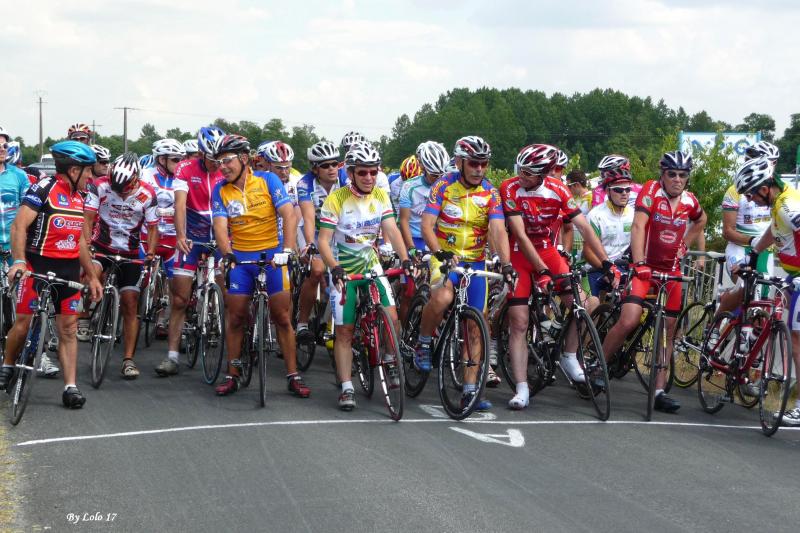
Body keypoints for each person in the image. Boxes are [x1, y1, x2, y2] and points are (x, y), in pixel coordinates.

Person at [500, 144, 618, 410]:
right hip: (519, 252)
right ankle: (522, 387)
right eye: (520, 169)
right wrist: (541, 270)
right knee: (519, 321)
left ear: (543, 174)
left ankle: (569, 354)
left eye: (528, 173)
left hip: (547, 249)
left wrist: (607, 262)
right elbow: (519, 234)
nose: (521, 176)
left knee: (583, 303)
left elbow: (584, 228)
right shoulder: (509, 188)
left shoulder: (559, 190)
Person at [600, 151, 706, 413]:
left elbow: (701, 220)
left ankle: (659, 390)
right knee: (629, 320)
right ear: (663, 175)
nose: (677, 179)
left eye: (683, 175)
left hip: (670, 271)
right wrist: (639, 263)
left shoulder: (690, 201)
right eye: (672, 174)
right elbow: (638, 226)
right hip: (645, 267)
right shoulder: (651, 191)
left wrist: (684, 245)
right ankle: (598, 367)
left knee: (668, 329)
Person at [415, 136, 515, 412]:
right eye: (473, 163)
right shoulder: (444, 185)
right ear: (459, 161)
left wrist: (506, 264)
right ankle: (424, 341)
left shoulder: (491, 193)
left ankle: (470, 390)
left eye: (484, 164)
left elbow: (498, 230)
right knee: (443, 297)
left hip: (475, 262)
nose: (479, 169)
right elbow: (427, 225)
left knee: (476, 325)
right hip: (445, 256)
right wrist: (440, 253)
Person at [0, 141, 102, 408]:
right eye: (88, 171)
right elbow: (19, 226)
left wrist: (92, 276)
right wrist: (19, 261)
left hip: (68, 269)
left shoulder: (81, 196)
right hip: (37, 266)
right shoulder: (43, 188)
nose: (91, 177)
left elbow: (80, 241)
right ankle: (8, 363)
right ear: (73, 170)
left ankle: (70, 387)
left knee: (68, 329)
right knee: (23, 322)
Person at [209, 134, 310, 399]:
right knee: (236, 316)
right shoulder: (220, 190)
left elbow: (289, 215)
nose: (222, 167)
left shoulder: (268, 180)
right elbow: (220, 226)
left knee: (282, 317)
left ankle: (293, 375)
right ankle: (232, 374)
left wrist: (287, 250)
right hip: (241, 259)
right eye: (219, 162)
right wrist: (227, 254)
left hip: (273, 255)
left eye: (227, 160)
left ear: (244, 158)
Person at [316, 142, 412, 411]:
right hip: (344, 268)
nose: (369, 177)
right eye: (362, 172)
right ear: (350, 173)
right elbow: (323, 241)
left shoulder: (381, 196)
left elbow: (392, 230)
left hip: (370, 263)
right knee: (345, 330)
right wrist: (334, 267)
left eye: (373, 171)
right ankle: (347, 387)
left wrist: (405, 259)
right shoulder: (336, 199)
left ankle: (389, 359)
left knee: (392, 317)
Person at [735, 155, 800, 425]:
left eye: (751, 194)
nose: (749, 200)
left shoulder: (787, 205)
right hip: (793, 275)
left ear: (764, 188)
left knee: (796, 339)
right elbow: (774, 233)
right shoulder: (778, 202)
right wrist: (754, 253)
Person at [84, 152, 160, 380]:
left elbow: (153, 228)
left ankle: (128, 359)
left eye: (125, 189)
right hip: (102, 246)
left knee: (130, 302)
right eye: (116, 189)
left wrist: (150, 253)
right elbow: (88, 218)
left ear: (135, 179)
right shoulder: (100, 185)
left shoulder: (147, 193)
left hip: (130, 252)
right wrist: (86, 245)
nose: (120, 193)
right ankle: (89, 314)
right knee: (90, 275)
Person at [171, 125, 226, 377]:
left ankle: (234, 353)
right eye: (213, 159)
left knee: (230, 293)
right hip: (193, 237)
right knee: (180, 299)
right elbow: (180, 205)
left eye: (221, 158)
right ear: (201, 154)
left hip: (221, 237)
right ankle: (172, 356)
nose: (218, 164)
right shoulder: (185, 168)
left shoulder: (227, 169)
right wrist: (180, 235)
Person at [714, 141, 778, 324]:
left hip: (765, 251)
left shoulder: (774, 191)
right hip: (740, 248)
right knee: (745, 288)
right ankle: (715, 327)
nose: (771, 167)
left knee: (761, 303)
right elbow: (727, 231)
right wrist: (752, 240)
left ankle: (749, 336)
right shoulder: (735, 191)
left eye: (774, 162)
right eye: (767, 162)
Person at [295, 141, 347, 343]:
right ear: (315, 169)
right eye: (325, 165)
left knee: (344, 274)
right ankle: (302, 323)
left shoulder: (345, 179)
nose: (332, 168)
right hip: (313, 231)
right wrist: (310, 244)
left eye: (335, 163)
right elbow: (308, 217)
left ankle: (330, 321)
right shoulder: (305, 184)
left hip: (336, 232)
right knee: (316, 270)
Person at [142, 139, 185, 352]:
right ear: (161, 159)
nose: (180, 164)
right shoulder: (146, 175)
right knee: (138, 283)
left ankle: (163, 320)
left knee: (177, 287)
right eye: (176, 160)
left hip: (171, 238)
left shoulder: (182, 178)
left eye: (182, 159)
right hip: (147, 236)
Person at [397, 141, 448, 320]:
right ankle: (403, 332)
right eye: (434, 175)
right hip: (414, 238)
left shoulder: (447, 185)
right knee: (409, 291)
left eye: (441, 175)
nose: (438, 179)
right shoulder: (409, 187)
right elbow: (403, 221)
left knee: (441, 289)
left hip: (436, 238)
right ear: (424, 168)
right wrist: (411, 248)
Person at [584, 167, 635, 297]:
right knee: (594, 305)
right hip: (597, 267)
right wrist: (606, 270)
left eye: (628, 189)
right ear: (608, 191)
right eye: (618, 190)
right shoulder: (596, 215)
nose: (624, 193)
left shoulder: (633, 214)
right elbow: (588, 252)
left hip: (622, 267)